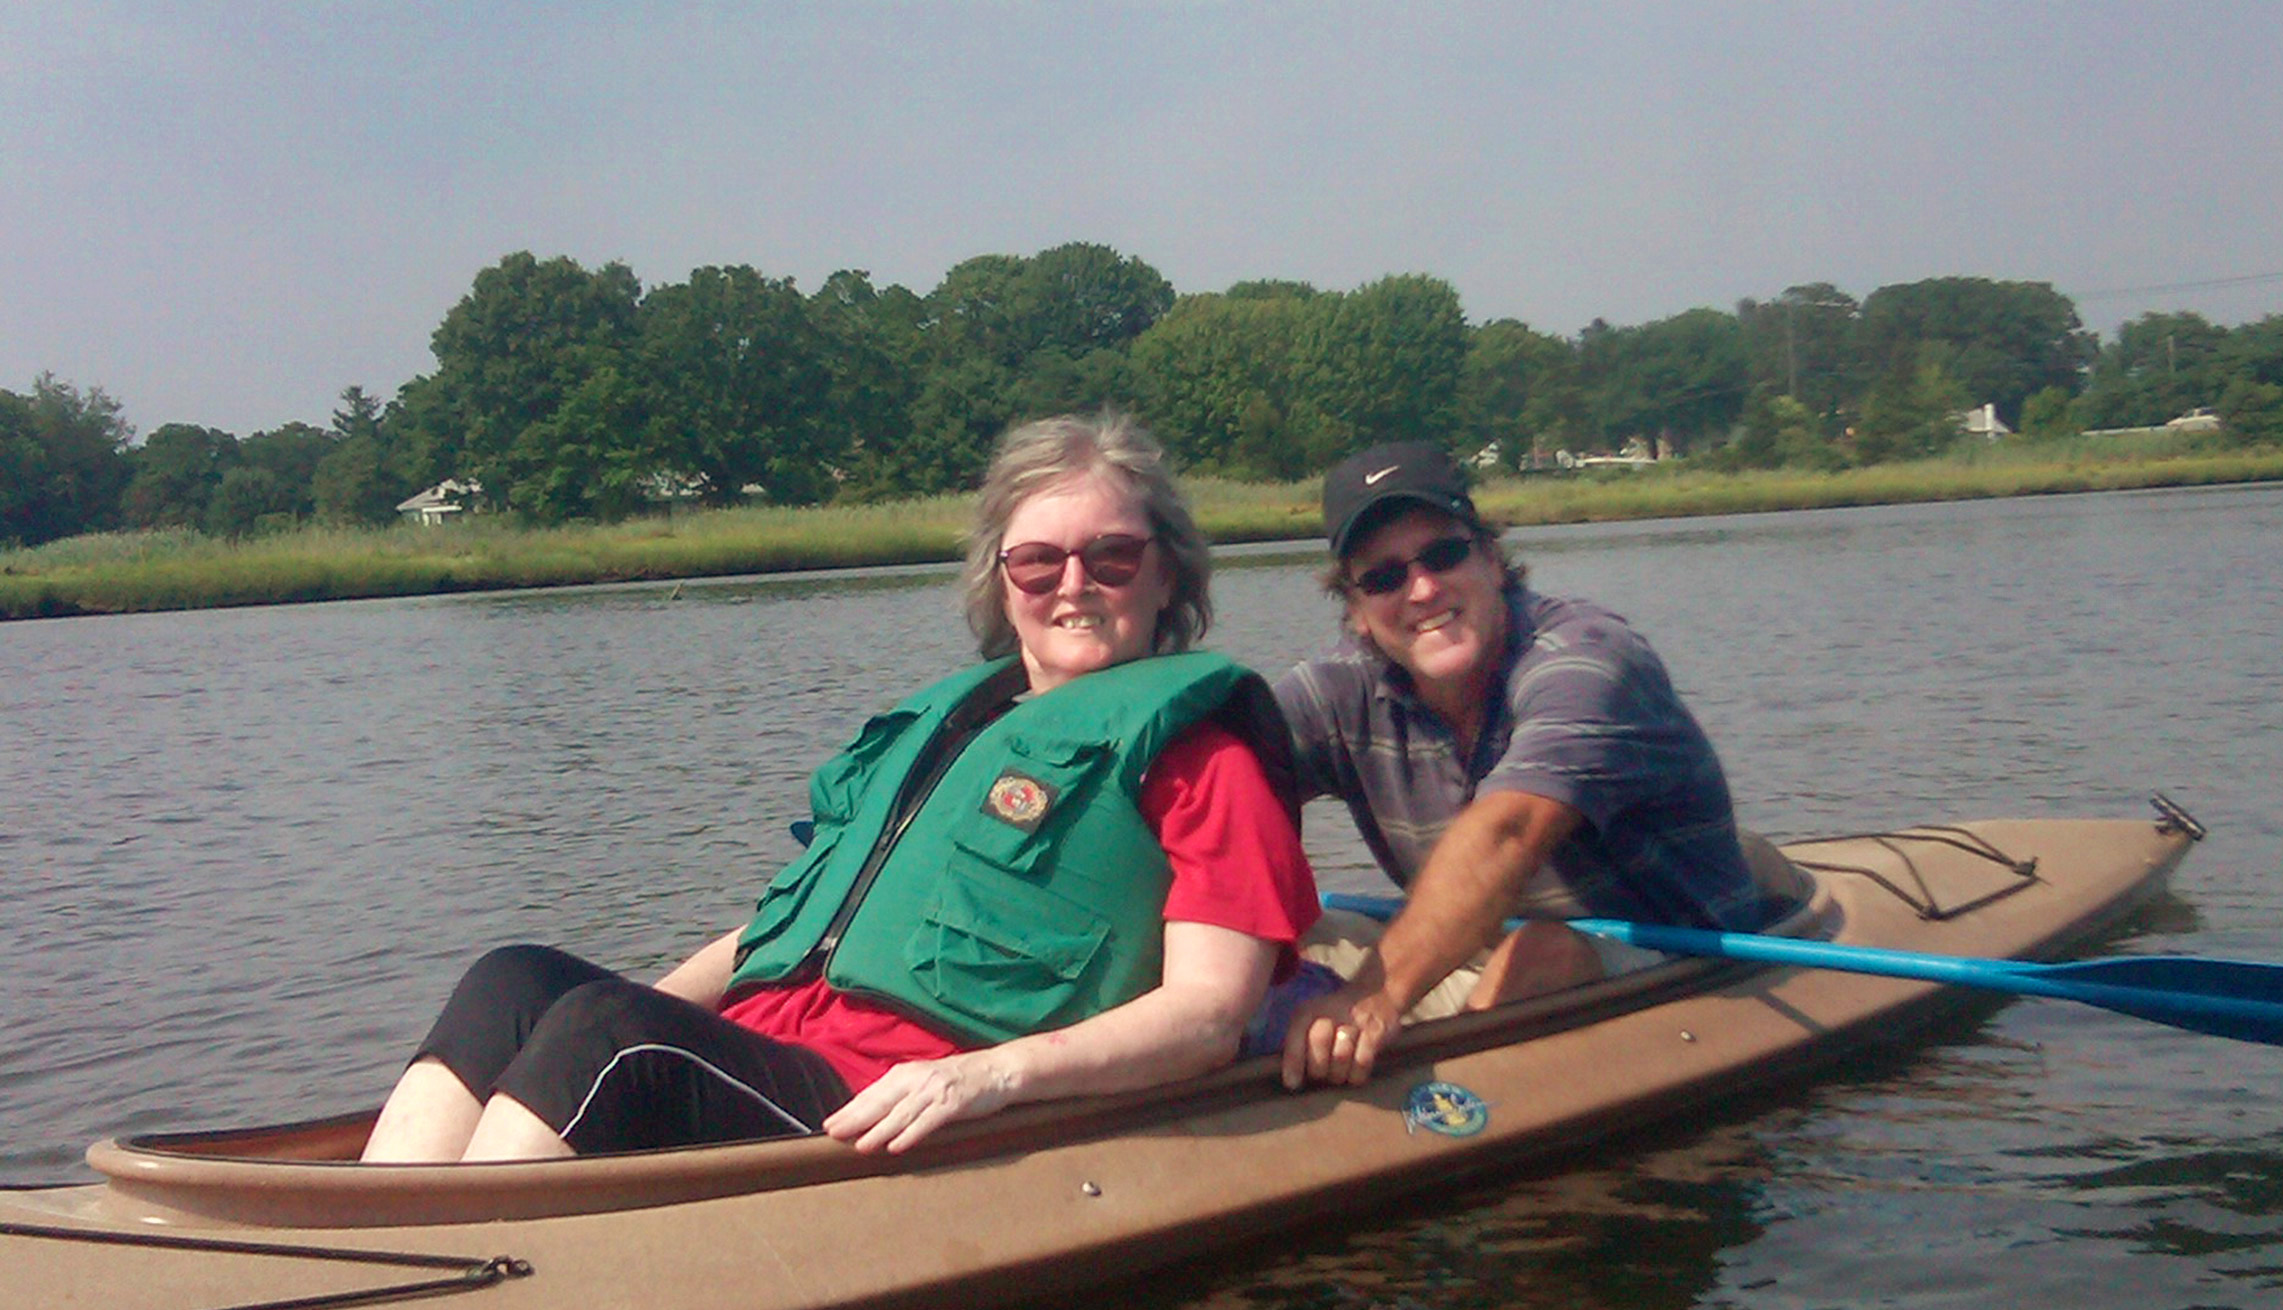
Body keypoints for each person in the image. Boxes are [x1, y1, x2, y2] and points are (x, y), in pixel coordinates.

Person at [361, 412, 1318, 1163]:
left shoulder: (1206, 763)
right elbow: (780, 932)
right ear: (1002, 577)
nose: (1075, 582)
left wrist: (990, 1077)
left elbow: (1208, 1015)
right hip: (768, 1050)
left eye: (1112, 556)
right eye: (1039, 559)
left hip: (892, 1097)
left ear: (1165, 575)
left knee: (608, 1032)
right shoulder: (948, 726)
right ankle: (380, 1234)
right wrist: (584, 1031)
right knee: (517, 982)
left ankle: (460, 1284)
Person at [1273, 440, 1801, 1090]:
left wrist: (1370, 999)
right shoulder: (1337, 689)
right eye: (1383, 577)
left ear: (1492, 559)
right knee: (1276, 929)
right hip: (1470, 950)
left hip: (1675, 952)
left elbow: (1510, 827)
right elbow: (1213, 779)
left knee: (1543, 952)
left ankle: (1449, 1099)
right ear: (1355, 611)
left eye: (1444, 554)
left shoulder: (1588, 660)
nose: (1423, 589)